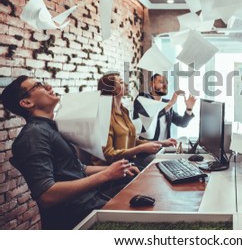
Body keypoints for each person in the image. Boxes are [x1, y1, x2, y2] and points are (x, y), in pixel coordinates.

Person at [0, 76, 140, 229]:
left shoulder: (50, 128)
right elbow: (47, 195)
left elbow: (80, 168)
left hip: (93, 204)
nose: (47, 86)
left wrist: (118, 168)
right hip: (80, 219)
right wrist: (106, 175)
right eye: (39, 85)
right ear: (27, 102)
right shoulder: (32, 136)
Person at [96, 72, 176, 169]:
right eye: (121, 82)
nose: (126, 84)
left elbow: (133, 140)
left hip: (128, 165)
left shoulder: (123, 110)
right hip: (113, 171)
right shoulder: (104, 114)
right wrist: (141, 148)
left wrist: (161, 143)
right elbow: (109, 155)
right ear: (111, 89)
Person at [133, 73, 196, 141]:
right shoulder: (142, 98)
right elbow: (150, 119)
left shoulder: (167, 103)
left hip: (164, 148)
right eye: (161, 82)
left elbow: (182, 123)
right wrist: (171, 103)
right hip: (147, 148)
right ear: (151, 84)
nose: (165, 85)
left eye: (166, 83)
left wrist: (189, 108)